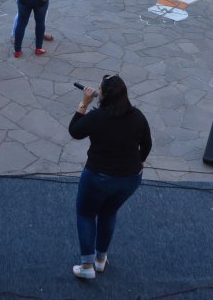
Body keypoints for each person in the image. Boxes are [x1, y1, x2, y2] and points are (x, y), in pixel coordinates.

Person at [68, 74, 152, 279]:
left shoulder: (97, 117)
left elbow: (75, 131)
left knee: (86, 214)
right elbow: (147, 144)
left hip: (98, 176)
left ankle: (87, 266)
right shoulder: (137, 116)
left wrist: (83, 103)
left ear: (103, 95)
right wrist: (140, 161)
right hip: (130, 179)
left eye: (99, 89)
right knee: (108, 212)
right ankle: (101, 260)